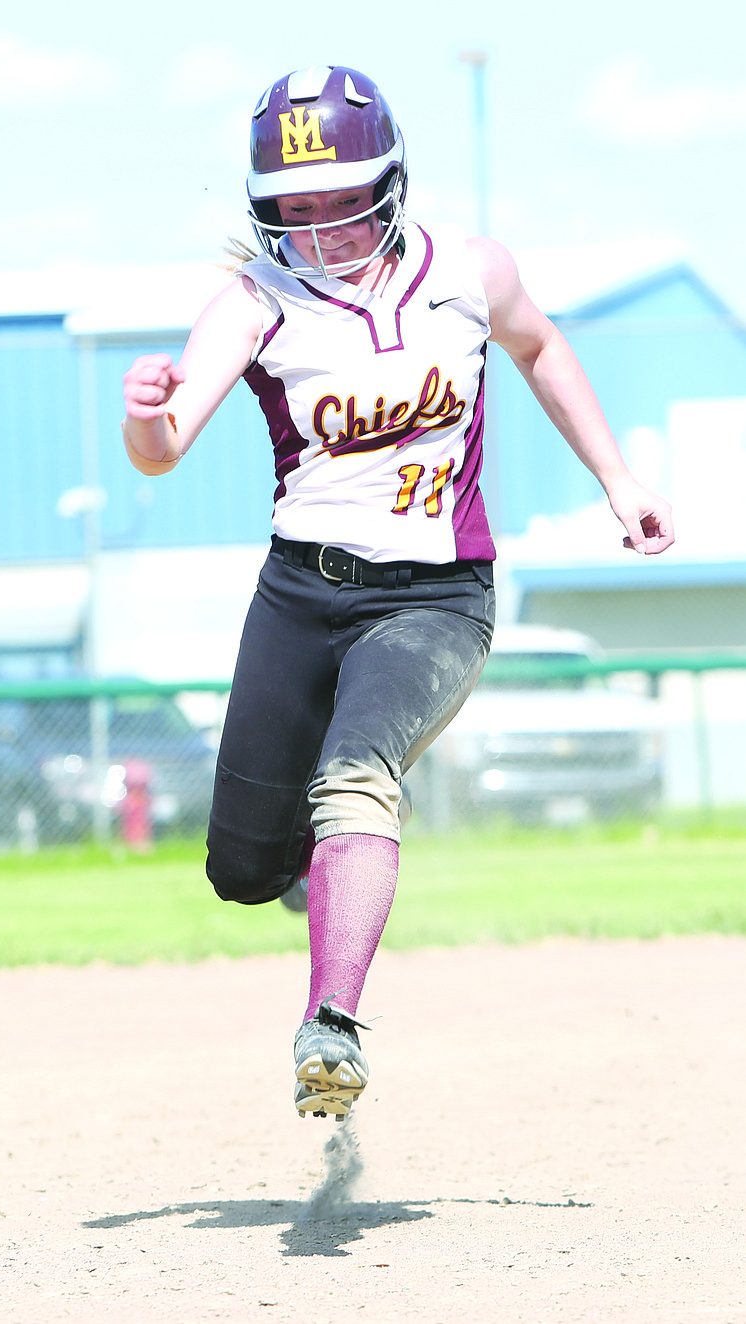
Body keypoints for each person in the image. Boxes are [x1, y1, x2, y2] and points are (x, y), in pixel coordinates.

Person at [121, 64, 674, 1120]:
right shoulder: (254, 302)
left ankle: (331, 1021)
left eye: (343, 200)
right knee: (239, 869)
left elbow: (541, 344)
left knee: (357, 774)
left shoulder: (468, 271)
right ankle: (309, 875)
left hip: (434, 597)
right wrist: (144, 415)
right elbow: (164, 446)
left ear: (393, 182)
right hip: (299, 591)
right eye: (295, 209)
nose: (321, 229)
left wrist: (619, 478)